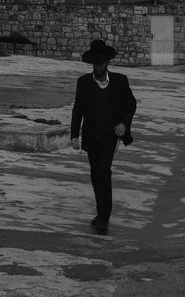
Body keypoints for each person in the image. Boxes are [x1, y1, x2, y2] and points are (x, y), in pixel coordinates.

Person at [70, 39, 136, 235]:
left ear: (107, 63)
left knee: (103, 172)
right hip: (91, 136)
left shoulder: (120, 81)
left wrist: (124, 124)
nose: (97, 66)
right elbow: (78, 110)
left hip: (109, 135)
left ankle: (104, 218)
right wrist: (74, 135)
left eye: (100, 63)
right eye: (94, 63)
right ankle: (101, 213)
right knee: (95, 175)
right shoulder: (83, 83)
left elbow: (131, 104)